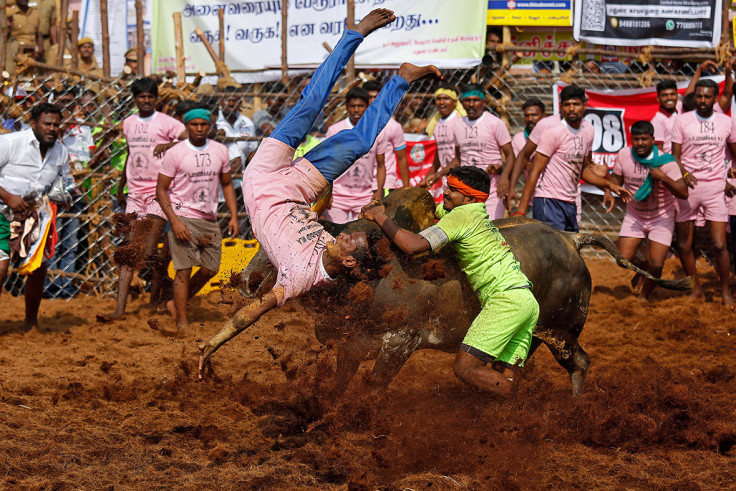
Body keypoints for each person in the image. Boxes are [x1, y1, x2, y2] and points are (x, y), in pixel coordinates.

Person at [197, 8, 441, 378]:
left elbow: (252, 313)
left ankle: (360, 42)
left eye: (349, 242)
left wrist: (212, 344)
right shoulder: (336, 250)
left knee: (310, 105)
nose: (346, 235)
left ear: (345, 260)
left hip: (262, 180)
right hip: (297, 190)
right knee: (358, 140)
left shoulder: (298, 279)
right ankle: (389, 68)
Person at [361, 166, 539, 397]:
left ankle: (531, 400)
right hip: (525, 301)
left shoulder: (461, 216)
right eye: (447, 186)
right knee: (503, 378)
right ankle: (531, 408)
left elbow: (412, 246)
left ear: (469, 197)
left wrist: (379, 216)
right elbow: (432, 211)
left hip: (505, 301)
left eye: (453, 190)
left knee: (465, 368)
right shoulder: (473, 211)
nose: (445, 192)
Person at [96, 77, 186, 322]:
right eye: (141, 96)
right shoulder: (128, 123)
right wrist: (121, 183)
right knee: (130, 251)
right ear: (135, 99)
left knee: (145, 249)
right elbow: (130, 153)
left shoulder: (167, 122)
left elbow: (188, 136)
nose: (146, 100)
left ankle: (162, 278)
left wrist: (169, 145)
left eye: (150, 96)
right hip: (135, 193)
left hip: (159, 192)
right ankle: (120, 309)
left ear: (156, 98)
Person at [156, 108, 239, 328]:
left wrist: (233, 215)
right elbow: (161, 190)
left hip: (210, 218)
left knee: (211, 269)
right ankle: (182, 321)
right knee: (183, 269)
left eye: (204, 124)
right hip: (183, 216)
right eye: (195, 124)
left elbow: (227, 183)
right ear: (186, 125)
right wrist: (174, 221)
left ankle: (176, 303)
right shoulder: (175, 153)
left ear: (210, 125)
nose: (200, 128)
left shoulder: (220, 150)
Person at [515, 85, 629, 231]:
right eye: (567, 104)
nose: (571, 108)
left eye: (576, 104)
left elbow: (584, 169)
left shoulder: (588, 130)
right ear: (561, 107)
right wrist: (521, 211)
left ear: (585, 105)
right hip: (548, 200)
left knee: (570, 250)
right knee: (554, 250)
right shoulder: (552, 133)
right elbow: (535, 172)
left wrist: (609, 186)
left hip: (570, 201)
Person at [0, 103, 70, 330]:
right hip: (2, 212)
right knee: (1, 268)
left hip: (36, 217)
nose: (52, 128)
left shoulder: (61, 151)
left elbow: (64, 183)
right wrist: (8, 196)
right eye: (47, 123)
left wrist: (61, 195)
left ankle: (31, 322)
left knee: (38, 268)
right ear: (33, 124)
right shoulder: (11, 143)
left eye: (56, 125)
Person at [603, 121, 688, 302]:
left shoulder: (666, 162)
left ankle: (644, 296)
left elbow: (683, 192)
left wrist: (663, 177)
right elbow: (616, 178)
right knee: (622, 259)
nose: (640, 143)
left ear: (653, 140)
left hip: (661, 217)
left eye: (644, 139)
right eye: (636, 139)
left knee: (657, 264)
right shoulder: (624, 155)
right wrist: (610, 191)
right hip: (635, 215)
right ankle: (642, 269)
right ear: (631, 139)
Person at [670, 79, 736, 309]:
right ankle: (695, 288)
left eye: (707, 97)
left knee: (719, 244)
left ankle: (726, 292)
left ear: (715, 97)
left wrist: (731, 177)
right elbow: (674, 157)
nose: (702, 101)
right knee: (686, 244)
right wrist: (685, 174)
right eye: (699, 96)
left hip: (716, 188)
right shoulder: (682, 120)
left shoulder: (727, 122)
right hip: (688, 190)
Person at [321, 87, 393, 223]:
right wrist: (327, 193)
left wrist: (379, 191)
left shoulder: (378, 132)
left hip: (365, 196)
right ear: (347, 107)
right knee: (336, 236)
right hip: (338, 197)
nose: (356, 110)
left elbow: (381, 165)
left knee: (361, 236)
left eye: (360, 106)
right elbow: (327, 164)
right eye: (352, 106)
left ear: (367, 107)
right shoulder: (334, 130)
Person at [448, 83, 514, 219]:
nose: (471, 104)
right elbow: (458, 158)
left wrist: (504, 177)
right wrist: (438, 175)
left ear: (484, 102)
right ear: (462, 102)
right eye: (467, 100)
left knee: (492, 228)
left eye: (476, 100)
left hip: (491, 189)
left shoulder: (495, 123)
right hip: (465, 189)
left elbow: (510, 155)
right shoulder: (457, 124)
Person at [363, 80, 411, 191]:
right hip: (361, 184)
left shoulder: (393, 126)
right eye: (368, 98)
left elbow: (402, 158)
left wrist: (406, 188)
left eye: (376, 97)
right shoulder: (356, 126)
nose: (372, 101)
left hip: (385, 184)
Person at [503, 98, 546, 216]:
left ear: (544, 116)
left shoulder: (551, 135)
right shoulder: (519, 138)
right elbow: (517, 165)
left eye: (534, 115)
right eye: (527, 115)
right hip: (531, 199)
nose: (530, 119)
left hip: (550, 197)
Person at [420, 84, 464, 190]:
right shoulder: (436, 122)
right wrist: (428, 177)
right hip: (447, 176)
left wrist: (438, 174)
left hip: (462, 176)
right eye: (438, 98)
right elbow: (439, 153)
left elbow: (460, 155)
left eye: (446, 98)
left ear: (454, 102)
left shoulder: (460, 121)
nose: (442, 102)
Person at [216, 86, 256, 174]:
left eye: (235, 101)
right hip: (219, 174)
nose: (231, 104)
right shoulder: (215, 121)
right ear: (220, 101)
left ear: (240, 103)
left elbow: (252, 151)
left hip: (242, 175)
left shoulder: (247, 122)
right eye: (227, 100)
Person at [5, 0, 42, 75]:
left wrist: (39, 49)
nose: (9, 23)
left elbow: (39, 34)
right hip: (16, 51)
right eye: (8, 21)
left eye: (11, 21)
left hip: (31, 54)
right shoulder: (11, 13)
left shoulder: (35, 13)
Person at [651, 80, 681, 154]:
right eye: (665, 95)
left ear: (677, 95)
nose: (669, 98)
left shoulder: (681, 107)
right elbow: (659, 151)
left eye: (672, 94)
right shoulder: (657, 121)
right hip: (671, 162)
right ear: (658, 98)